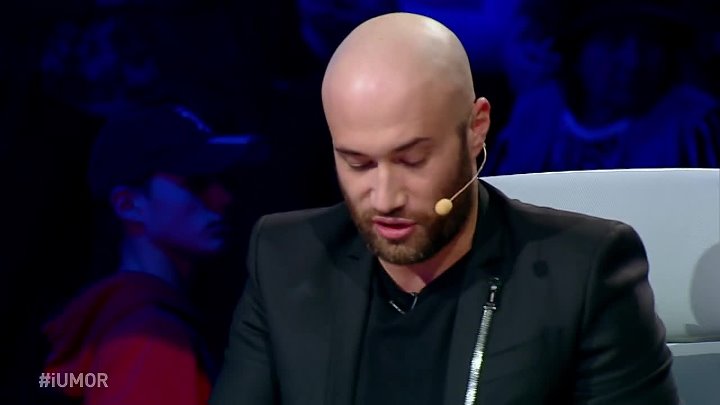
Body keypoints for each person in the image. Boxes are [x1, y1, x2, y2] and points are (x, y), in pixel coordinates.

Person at [210, 12, 678, 405]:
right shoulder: (284, 259)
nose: (385, 198)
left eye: (412, 160)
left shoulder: (583, 273)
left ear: (476, 128)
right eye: (358, 164)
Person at [41, 104, 268, 405]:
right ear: (128, 204)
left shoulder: (112, 323)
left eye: (224, 181)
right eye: (196, 182)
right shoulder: (154, 338)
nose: (223, 198)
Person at [485, 0, 720, 175]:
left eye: (650, 43)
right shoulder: (536, 112)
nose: (633, 61)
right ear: (577, 51)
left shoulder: (693, 127)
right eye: (613, 42)